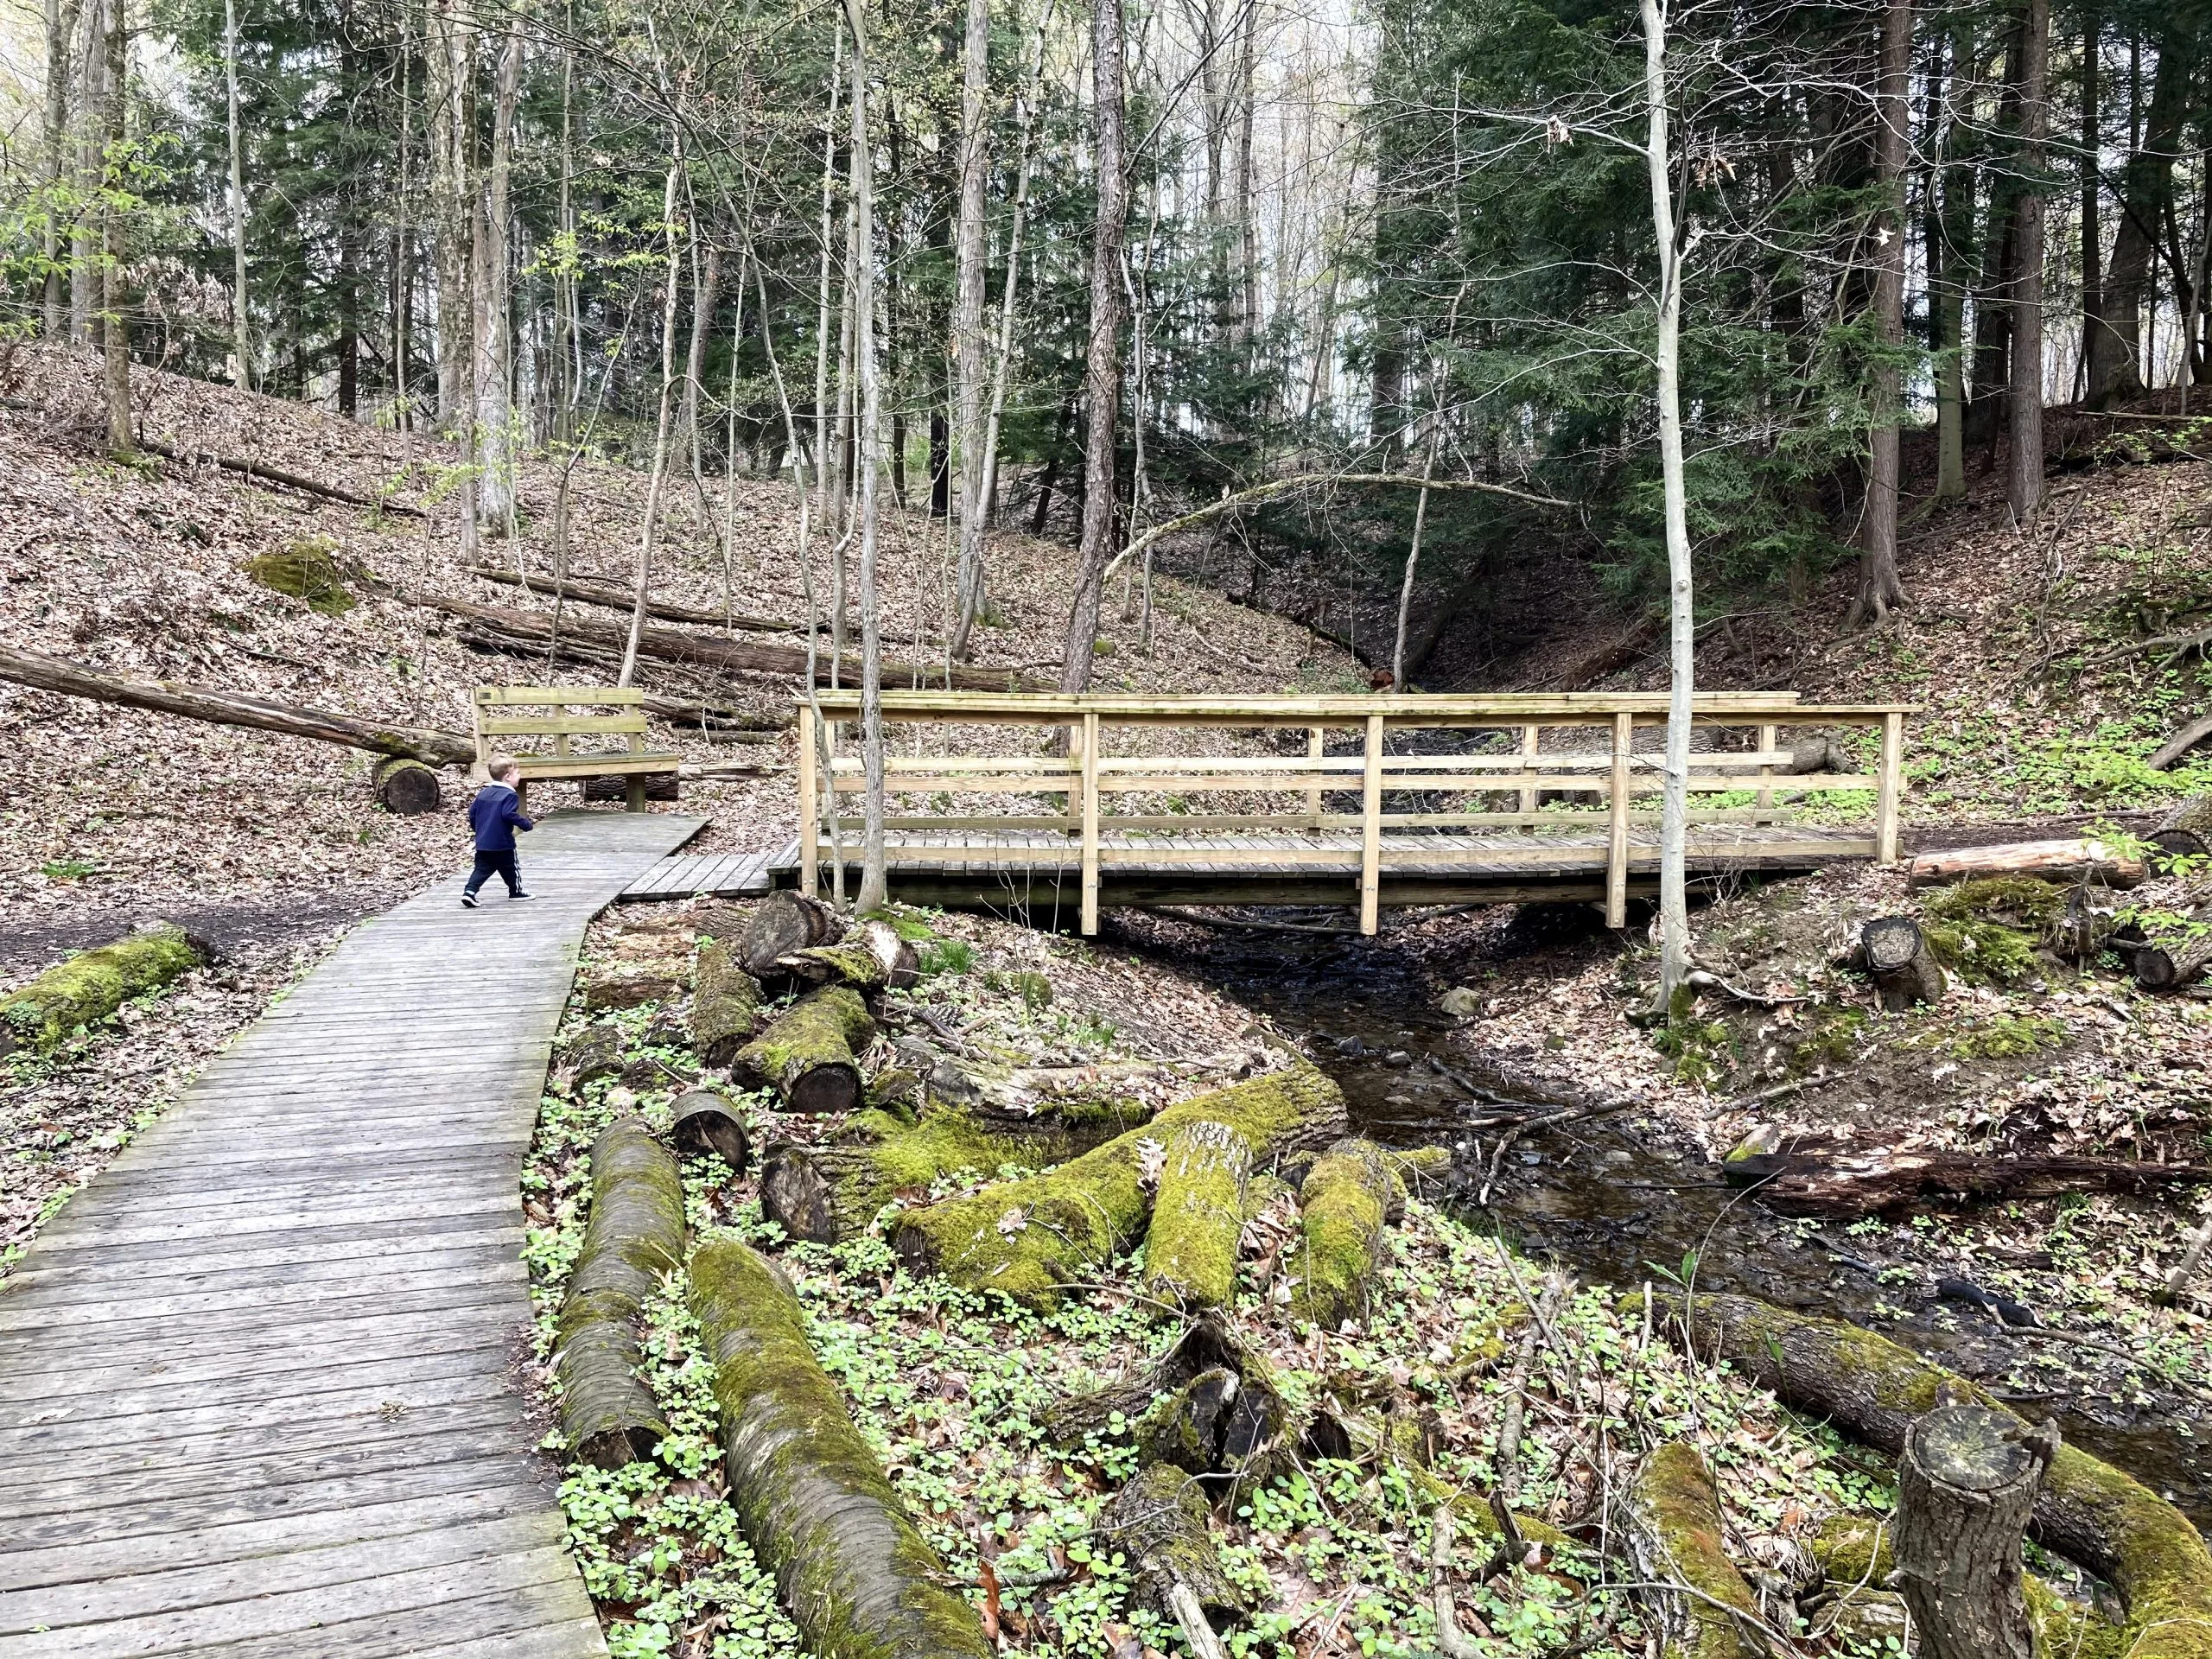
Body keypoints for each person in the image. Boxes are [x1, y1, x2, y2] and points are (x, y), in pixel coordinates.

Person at [462, 755, 535, 907]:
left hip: (483, 843)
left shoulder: (484, 793)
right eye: (518, 773)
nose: (520, 776)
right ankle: (516, 891)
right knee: (511, 867)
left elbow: (472, 813)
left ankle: (470, 892)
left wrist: (479, 830)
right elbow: (508, 814)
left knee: (481, 869)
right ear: (508, 777)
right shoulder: (509, 795)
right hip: (502, 843)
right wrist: (525, 824)